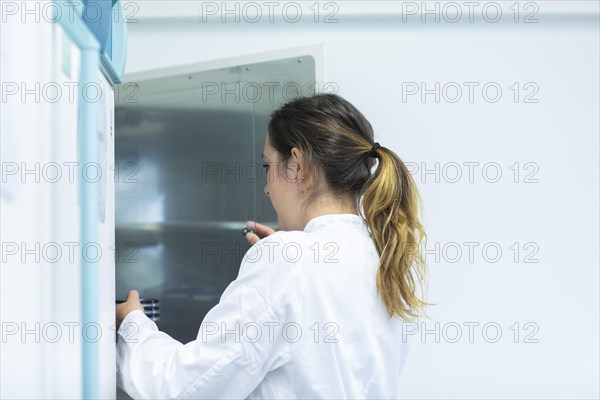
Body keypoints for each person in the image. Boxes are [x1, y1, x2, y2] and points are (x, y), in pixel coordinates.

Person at [115, 93, 430, 399]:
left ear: (297, 167)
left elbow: (184, 388)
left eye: (267, 166)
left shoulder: (286, 262)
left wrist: (132, 324)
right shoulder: (382, 254)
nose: (266, 189)